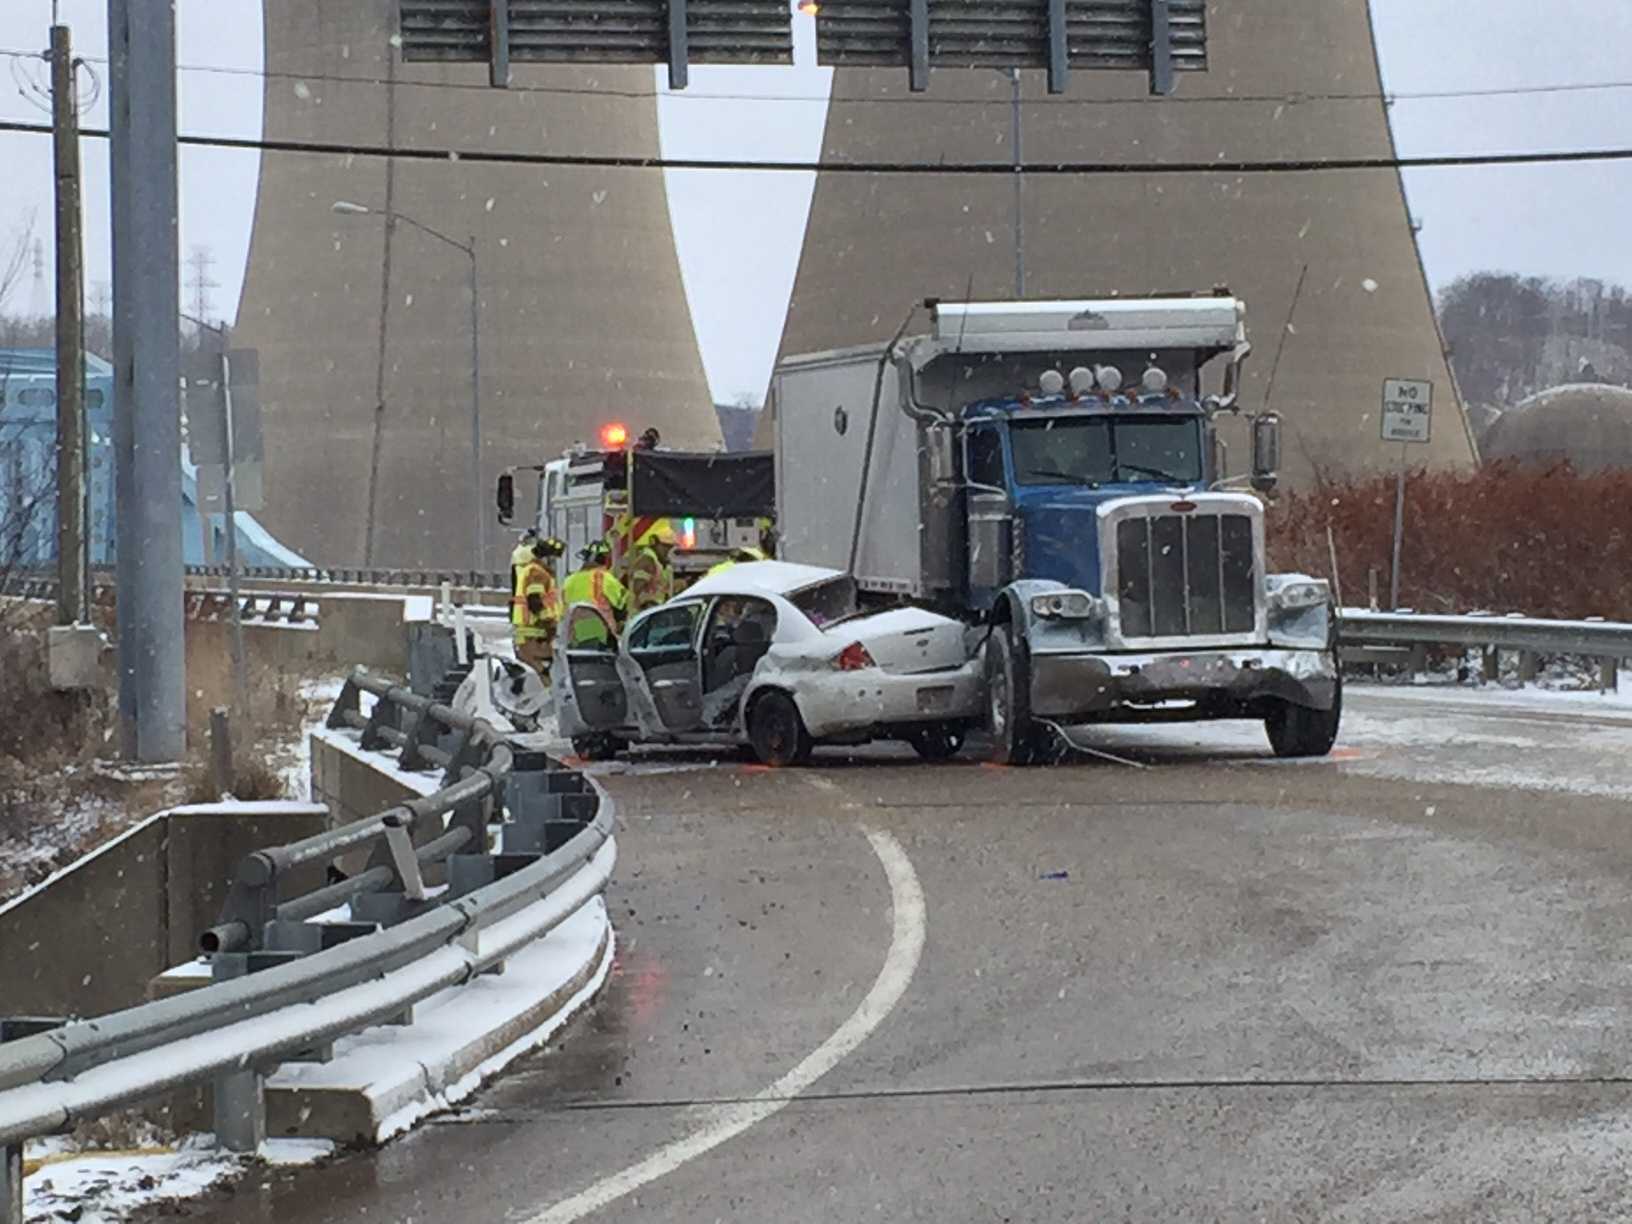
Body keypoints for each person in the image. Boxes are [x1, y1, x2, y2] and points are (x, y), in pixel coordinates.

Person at [511, 536, 564, 673]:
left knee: (536, 669)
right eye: (552, 558)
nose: (553, 563)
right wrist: (546, 622)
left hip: (529, 631)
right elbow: (534, 601)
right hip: (535, 631)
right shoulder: (537, 573)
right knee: (542, 672)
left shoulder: (531, 570)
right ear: (545, 557)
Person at [562, 540, 629, 646]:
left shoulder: (569, 580)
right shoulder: (604, 578)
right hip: (600, 634)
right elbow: (622, 605)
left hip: (573, 634)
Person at [626, 520, 678, 615]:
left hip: (656, 611)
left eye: (670, 547)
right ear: (655, 543)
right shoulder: (646, 562)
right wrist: (648, 603)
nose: (667, 550)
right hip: (644, 614)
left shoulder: (661, 562)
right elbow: (636, 589)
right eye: (665, 546)